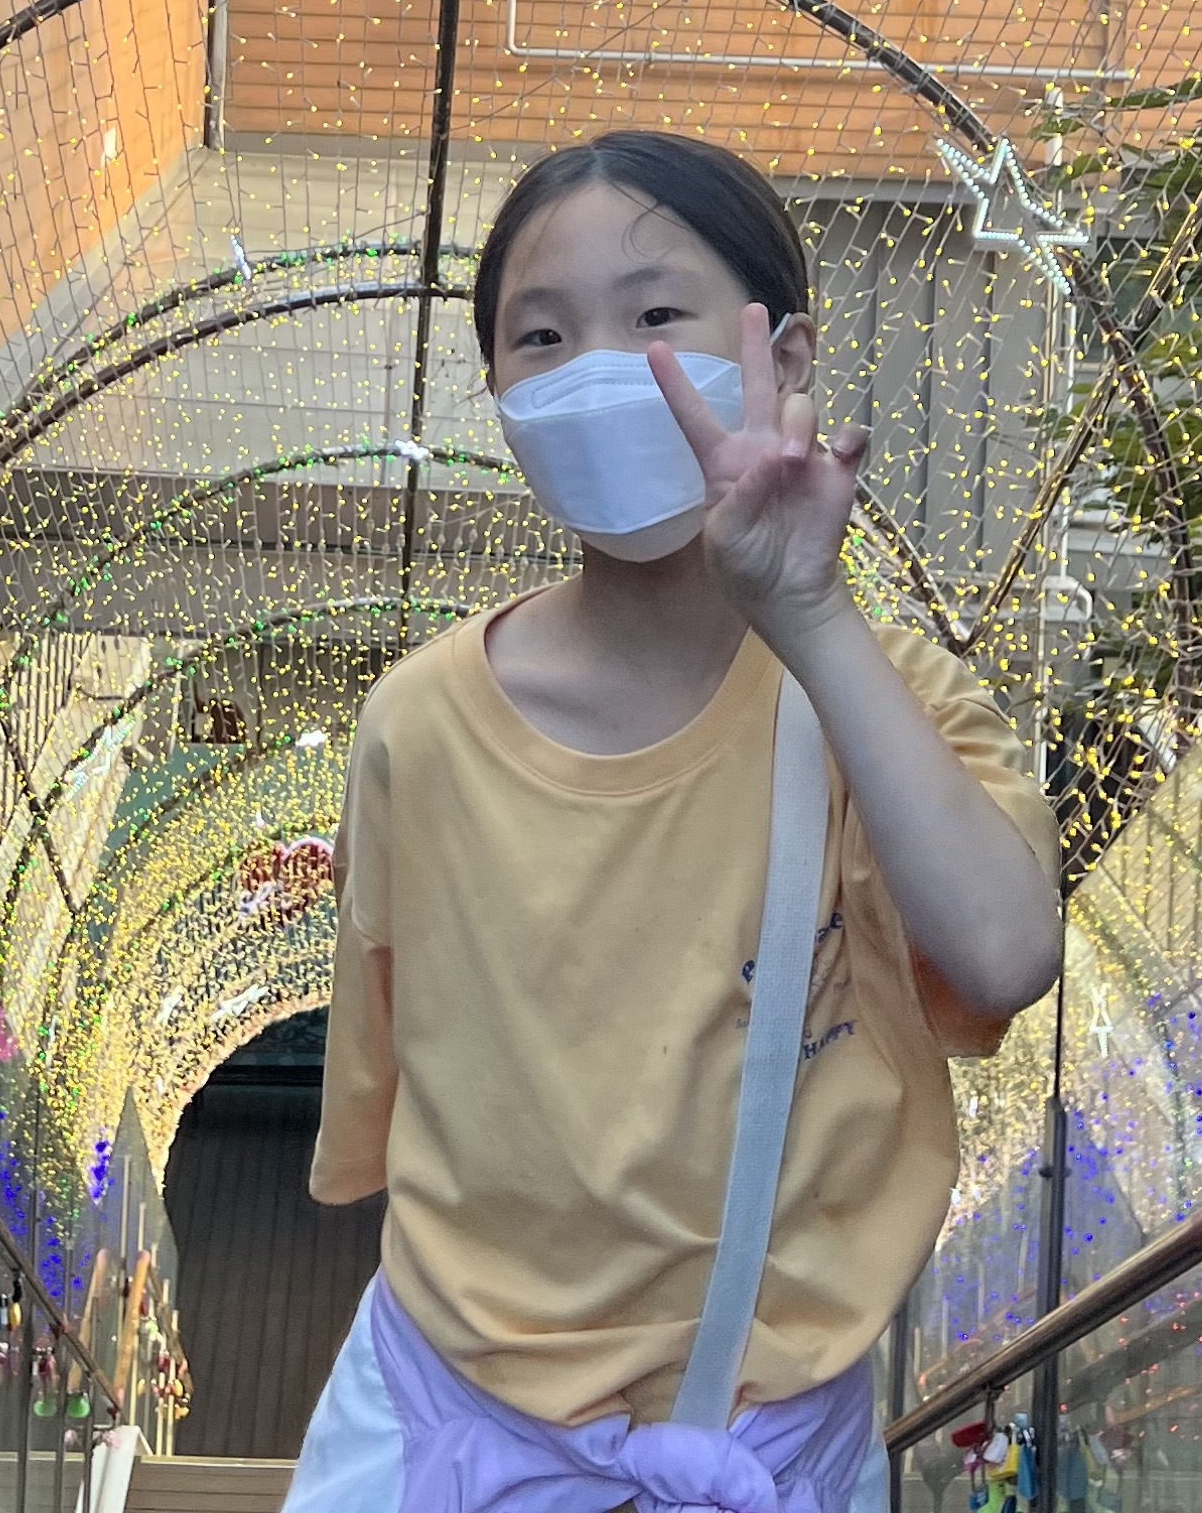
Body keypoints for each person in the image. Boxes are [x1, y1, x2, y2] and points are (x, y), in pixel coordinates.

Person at [286, 131, 1066, 1513]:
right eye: (541, 336)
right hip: (447, 1424)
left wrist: (808, 612)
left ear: (788, 356)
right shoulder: (416, 724)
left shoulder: (887, 705)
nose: (602, 368)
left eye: (655, 314)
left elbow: (1007, 954)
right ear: (501, 395)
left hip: (773, 1442)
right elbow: (403, 1075)